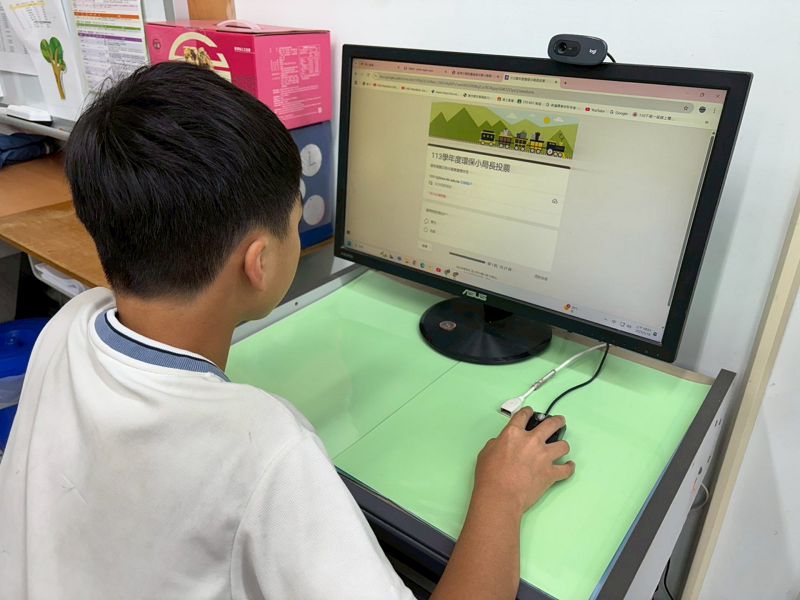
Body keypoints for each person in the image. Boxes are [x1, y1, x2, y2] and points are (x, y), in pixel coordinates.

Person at [0, 62, 574, 600]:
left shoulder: (70, 324)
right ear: (260, 262)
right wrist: (501, 494)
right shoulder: (263, 447)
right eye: (296, 222)